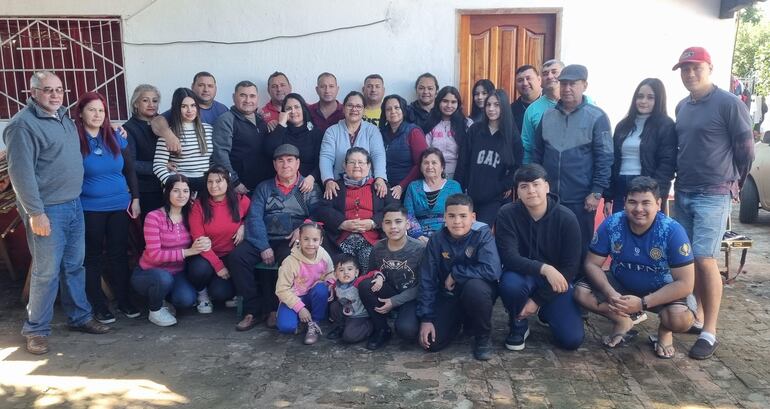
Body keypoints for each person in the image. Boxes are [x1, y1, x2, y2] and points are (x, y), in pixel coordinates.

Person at [4, 71, 110, 354]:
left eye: (59, 89)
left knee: (75, 265)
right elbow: (21, 174)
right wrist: (36, 213)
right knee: (45, 272)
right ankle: (36, 329)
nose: (54, 95)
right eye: (48, 90)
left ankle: (80, 317)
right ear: (33, 92)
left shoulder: (64, 118)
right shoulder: (22, 126)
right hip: (47, 210)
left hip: (74, 204)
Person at [671, 47, 754, 359]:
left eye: (696, 68)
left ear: (710, 67)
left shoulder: (729, 104)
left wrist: (735, 185)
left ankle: (710, 331)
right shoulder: (682, 106)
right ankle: (697, 317)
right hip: (684, 191)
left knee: (705, 259)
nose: (690, 74)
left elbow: (745, 151)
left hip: (714, 193)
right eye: (684, 69)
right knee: (686, 258)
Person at [575, 177, 696, 358]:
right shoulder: (612, 224)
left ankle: (664, 331)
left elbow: (686, 284)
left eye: (646, 203)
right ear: (624, 203)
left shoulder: (672, 231)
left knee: (680, 320)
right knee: (579, 293)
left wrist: (642, 303)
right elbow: (592, 264)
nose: (638, 209)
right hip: (621, 284)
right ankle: (623, 321)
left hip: (660, 289)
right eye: (632, 202)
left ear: (658, 203)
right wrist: (610, 293)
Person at [229, 144, 321, 331]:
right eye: (280, 161)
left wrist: (304, 227)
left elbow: (318, 213)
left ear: (297, 163)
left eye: (289, 160)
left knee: (289, 260)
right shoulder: (264, 187)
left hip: (291, 240)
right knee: (237, 257)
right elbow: (254, 217)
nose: (285, 165)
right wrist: (263, 246)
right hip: (263, 237)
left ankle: (276, 307)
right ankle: (253, 310)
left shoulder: (308, 187)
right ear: (274, 164)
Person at [496, 164, 584, 352]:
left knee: (572, 340)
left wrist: (538, 301)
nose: (531, 191)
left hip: (556, 283)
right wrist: (545, 268)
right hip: (522, 275)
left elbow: (571, 267)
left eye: (536, 184)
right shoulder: (507, 214)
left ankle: (546, 310)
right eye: (524, 186)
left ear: (547, 187)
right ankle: (518, 324)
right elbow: (509, 257)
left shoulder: (567, 218)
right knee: (510, 284)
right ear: (517, 191)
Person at [532, 64, 613, 268]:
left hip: (581, 198)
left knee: (579, 245)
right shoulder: (548, 116)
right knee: (549, 243)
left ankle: (578, 291)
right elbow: (537, 153)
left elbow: (605, 158)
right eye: (564, 83)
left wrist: (596, 192)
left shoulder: (598, 117)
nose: (567, 88)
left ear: (584, 85)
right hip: (550, 198)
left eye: (573, 84)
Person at [74, 91, 141, 324]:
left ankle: (124, 301)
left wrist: (135, 198)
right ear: (81, 113)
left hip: (119, 205)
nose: (97, 114)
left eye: (101, 110)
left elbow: (130, 169)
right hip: (90, 208)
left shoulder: (114, 135)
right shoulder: (74, 139)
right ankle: (99, 305)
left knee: (119, 255)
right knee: (92, 257)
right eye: (91, 110)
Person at [417, 193, 502, 361]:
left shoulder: (482, 234)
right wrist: (426, 318)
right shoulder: (436, 239)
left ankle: (483, 337)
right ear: (444, 218)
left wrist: (456, 274)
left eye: (463, 216)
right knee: (433, 344)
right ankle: (458, 321)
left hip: (477, 292)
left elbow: (492, 270)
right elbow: (427, 278)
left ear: (473, 217)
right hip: (449, 296)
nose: (457, 221)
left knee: (475, 289)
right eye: (452, 216)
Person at [131, 175, 213, 327]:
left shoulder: (190, 215)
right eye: (176, 191)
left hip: (177, 272)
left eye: (185, 191)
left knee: (186, 300)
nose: (182, 195)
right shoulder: (154, 217)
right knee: (163, 278)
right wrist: (188, 251)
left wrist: (205, 241)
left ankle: (165, 299)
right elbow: (155, 255)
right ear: (166, 191)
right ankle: (155, 310)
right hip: (150, 272)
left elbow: (204, 233)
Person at [317, 147, 398, 271]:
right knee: (343, 272)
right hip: (342, 240)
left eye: (361, 162)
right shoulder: (335, 186)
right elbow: (322, 210)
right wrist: (342, 223)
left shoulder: (379, 186)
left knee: (369, 271)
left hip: (372, 240)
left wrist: (372, 223)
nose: (356, 166)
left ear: (369, 166)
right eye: (352, 162)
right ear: (344, 165)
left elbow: (394, 209)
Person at [604, 78, 676, 215]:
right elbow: (612, 161)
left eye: (650, 97)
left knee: (646, 231)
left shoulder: (665, 125)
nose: (643, 101)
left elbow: (667, 164)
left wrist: (655, 193)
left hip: (647, 187)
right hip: (621, 185)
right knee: (620, 229)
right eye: (640, 96)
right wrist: (608, 196)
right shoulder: (623, 125)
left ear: (659, 100)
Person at [358, 205, 425, 350]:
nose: (393, 227)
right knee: (365, 285)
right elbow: (371, 272)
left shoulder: (419, 249)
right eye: (388, 222)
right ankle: (381, 329)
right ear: (382, 225)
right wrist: (378, 275)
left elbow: (424, 286)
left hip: (411, 297)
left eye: (398, 221)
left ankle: (409, 319)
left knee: (407, 331)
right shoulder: (378, 248)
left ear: (407, 224)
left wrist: (395, 301)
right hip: (389, 291)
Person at [187, 165, 249, 314]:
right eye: (210, 181)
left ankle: (216, 290)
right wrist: (218, 265)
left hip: (230, 255)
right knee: (198, 269)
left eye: (219, 181)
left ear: (227, 182)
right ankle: (202, 294)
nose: (214, 186)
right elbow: (199, 239)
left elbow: (254, 218)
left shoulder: (241, 200)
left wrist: (243, 226)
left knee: (220, 293)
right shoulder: (198, 205)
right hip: (206, 255)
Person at [456, 89, 518, 225]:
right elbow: (463, 161)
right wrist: (459, 188)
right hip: (470, 194)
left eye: (496, 105)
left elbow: (517, 167)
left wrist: (503, 185)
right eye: (488, 105)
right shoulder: (475, 130)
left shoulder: (511, 135)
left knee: (481, 231)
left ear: (504, 107)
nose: (491, 109)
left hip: (494, 198)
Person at [274, 220, 334, 344]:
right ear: (299, 239)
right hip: (295, 297)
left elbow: (331, 273)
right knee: (286, 327)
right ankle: (302, 319)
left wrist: (328, 283)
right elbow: (281, 289)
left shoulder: (323, 255)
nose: (310, 244)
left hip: (313, 296)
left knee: (321, 289)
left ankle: (314, 323)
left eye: (315, 240)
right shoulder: (290, 262)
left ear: (321, 241)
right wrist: (300, 308)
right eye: (306, 239)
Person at [319, 91, 388, 200]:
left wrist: (380, 178)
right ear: (343, 108)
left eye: (358, 106)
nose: (354, 109)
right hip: (338, 186)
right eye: (350, 105)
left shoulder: (372, 130)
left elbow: (378, 155)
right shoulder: (332, 131)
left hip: (367, 186)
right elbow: (326, 157)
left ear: (364, 110)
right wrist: (328, 180)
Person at [211, 80, 272, 194]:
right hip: (241, 188)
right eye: (243, 95)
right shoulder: (226, 120)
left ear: (257, 98)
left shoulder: (261, 120)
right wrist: (234, 182)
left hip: (263, 186)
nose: (248, 100)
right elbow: (220, 154)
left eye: (252, 96)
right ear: (234, 97)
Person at [152, 88, 214, 194]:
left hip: (205, 184)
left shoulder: (208, 129)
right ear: (177, 108)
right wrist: (175, 186)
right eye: (184, 106)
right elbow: (158, 165)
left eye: (193, 105)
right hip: (181, 185)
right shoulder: (169, 133)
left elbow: (214, 160)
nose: (189, 110)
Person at [150, 72, 228, 153]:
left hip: (216, 160)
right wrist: (169, 136)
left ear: (215, 88)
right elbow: (156, 121)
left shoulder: (223, 109)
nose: (206, 89)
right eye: (201, 85)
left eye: (210, 86)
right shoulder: (184, 109)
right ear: (192, 87)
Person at [265, 93, 324, 189]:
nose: (293, 111)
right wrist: (281, 124)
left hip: (309, 184)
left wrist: (312, 177)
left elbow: (322, 161)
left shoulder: (316, 133)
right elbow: (269, 151)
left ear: (303, 109)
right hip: (284, 185)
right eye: (288, 108)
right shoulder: (280, 130)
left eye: (297, 107)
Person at [403, 148, 462, 241]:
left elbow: (459, 213)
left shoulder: (454, 186)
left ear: (442, 167)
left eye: (434, 163)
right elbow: (408, 215)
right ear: (421, 167)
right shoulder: (413, 187)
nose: (430, 166)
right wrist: (419, 236)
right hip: (419, 238)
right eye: (426, 163)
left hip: (448, 235)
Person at [378, 94, 429, 200]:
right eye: (388, 109)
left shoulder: (413, 132)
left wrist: (402, 186)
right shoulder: (380, 133)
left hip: (408, 188)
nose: (393, 111)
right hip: (384, 187)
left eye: (397, 108)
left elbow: (421, 163)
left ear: (403, 110)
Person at [124, 84, 164, 217]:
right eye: (145, 100)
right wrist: (161, 167)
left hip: (168, 187)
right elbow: (131, 163)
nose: (151, 104)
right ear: (136, 104)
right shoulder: (129, 129)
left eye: (155, 100)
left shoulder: (165, 123)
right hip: (145, 190)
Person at [521, 59, 564, 164]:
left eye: (554, 72)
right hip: (544, 174)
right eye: (545, 73)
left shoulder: (582, 103)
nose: (549, 76)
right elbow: (527, 148)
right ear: (541, 80)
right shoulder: (532, 110)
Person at [424, 86, 472, 179]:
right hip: (433, 173)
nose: (449, 106)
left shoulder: (467, 124)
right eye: (445, 101)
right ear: (438, 102)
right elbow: (426, 151)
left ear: (458, 104)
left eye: (453, 102)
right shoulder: (429, 123)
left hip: (460, 173)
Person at [327, 253, 372, 344]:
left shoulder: (358, 283)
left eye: (350, 269)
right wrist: (331, 288)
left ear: (356, 272)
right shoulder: (337, 283)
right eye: (341, 270)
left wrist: (378, 277)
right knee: (334, 306)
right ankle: (341, 326)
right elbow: (334, 285)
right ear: (335, 274)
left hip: (360, 315)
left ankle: (370, 326)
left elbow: (372, 274)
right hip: (347, 312)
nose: (346, 272)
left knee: (349, 337)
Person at [511, 65, 543, 135]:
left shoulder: (552, 104)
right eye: (520, 80)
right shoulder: (511, 111)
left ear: (539, 80)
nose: (525, 83)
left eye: (528, 78)